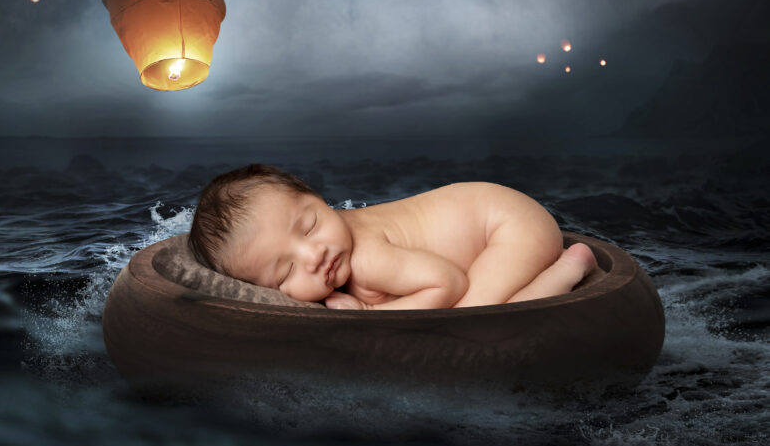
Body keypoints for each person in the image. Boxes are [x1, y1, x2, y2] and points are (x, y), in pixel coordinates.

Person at [188, 163, 598, 310]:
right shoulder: (338, 241)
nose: (313, 255)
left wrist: (370, 317)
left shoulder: (366, 258)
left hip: (507, 225)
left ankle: (569, 268)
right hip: (491, 215)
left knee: (475, 318)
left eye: (310, 226)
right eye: (284, 272)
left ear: (320, 199)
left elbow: (448, 283)